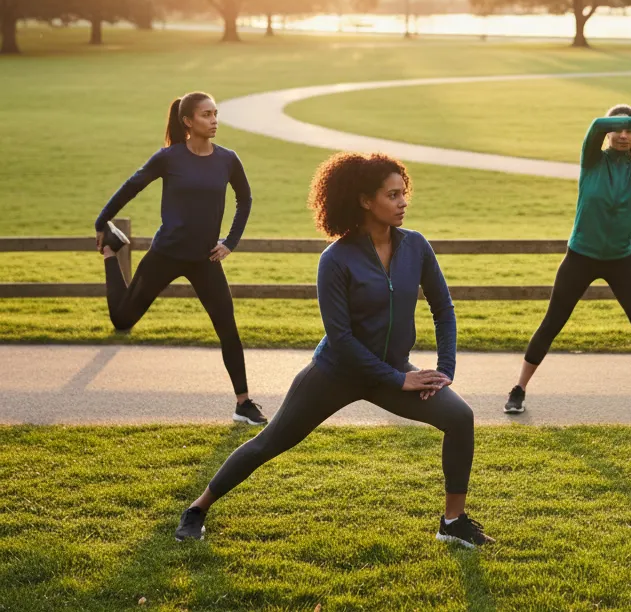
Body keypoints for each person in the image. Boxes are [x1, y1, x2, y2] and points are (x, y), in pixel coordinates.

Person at [174, 153, 493, 549]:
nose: (402, 202)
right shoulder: (336, 259)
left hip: (393, 372)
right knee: (270, 441)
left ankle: (453, 521)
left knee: (460, 417)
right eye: (392, 195)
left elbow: (443, 309)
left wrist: (444, 371)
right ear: (364, 201)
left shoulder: (416, 246)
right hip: (336, 374)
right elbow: (341, 340)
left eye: (403, 193)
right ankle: (198, 508)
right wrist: (400, 379)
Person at [95, 91, 264, 426]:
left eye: (215, 114)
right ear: (188, 121)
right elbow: (131, 186)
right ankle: (111, 252)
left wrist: (229, 242)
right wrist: (102, 222)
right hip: (166, 255)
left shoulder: (228, 159)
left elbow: (245, 199)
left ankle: (243, 403)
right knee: (123, 319)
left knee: (228, 330)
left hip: (205, 260)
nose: (213, 120)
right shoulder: (169, 158)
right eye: (205, 115)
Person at [504, 104, 631, 416]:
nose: (624, 135)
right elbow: (594, 124)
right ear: (608, 133)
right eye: (619, 129)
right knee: (552, 322)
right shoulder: (591, 160)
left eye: (630, 131)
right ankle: (518, 389)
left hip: (619, 260)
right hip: (580, 257)